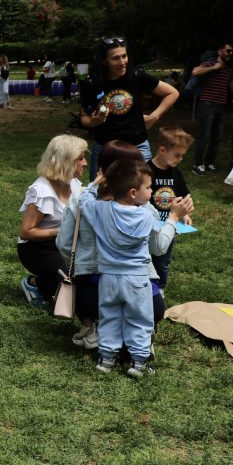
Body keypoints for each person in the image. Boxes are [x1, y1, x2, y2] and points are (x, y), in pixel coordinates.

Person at [58, 140, 191, 350]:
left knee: (89, 292)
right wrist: (173, 217)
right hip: (140, 288)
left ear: (102, 168)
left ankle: (92, 325)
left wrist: (82, 264)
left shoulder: (81, 200)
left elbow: (64, 244)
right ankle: (134, 334)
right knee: (150, 309)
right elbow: (158, 248)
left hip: (91, 291)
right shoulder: (144, 208)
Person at [80, 160, 156, 377]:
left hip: (109, 278)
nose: (151, 191)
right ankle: (139, 362)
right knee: (139, 319)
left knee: (109, 317)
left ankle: (106, 359)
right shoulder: (147, 215)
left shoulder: (102, 209)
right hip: (137, 279)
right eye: (148, 187)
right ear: (133, 192)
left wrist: (96, 183)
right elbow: (158, 243)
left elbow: (84, 201)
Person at [79, 36, 179, 180]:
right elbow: (84, 117)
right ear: (104, 61)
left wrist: (154, 116)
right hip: (105, 148)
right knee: (99, 191)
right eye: (115, 58)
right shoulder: (92, 83)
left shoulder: (136, 76)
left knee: (143, 188)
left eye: (124, 56)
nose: (122, 62)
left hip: (137, 146)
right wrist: (94, 121)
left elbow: (172, 93)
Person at [17, 134, 87, 305]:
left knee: (85, 277)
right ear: (66, 161)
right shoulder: (42, 191)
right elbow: (26, 232)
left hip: (64, 243)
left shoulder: (74, 183)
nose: (85, 163)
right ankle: (36, 284)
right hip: (37, 248)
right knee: (69, 292)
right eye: (80, 158)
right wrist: (61, 231)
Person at [190, 42, 233, 175]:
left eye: (232, 51)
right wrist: (214, 68)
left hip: (221, 106)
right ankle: (197, 164)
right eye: (228, 50)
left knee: (217, 137)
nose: (231, 53)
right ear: (220, 52)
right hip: (207, 104)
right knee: (205, 135)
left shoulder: (229, 71)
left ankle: (209, 163)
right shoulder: (209, 64)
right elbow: (195, 71)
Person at [147, 126, 194, 288]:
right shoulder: (146, 171)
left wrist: (185, 214)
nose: (180, 159)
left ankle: (159, 289)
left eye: (183, 155)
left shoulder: (176, 173)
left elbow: (182, 195)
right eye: (177, 155)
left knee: (163, 261)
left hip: (169, 225)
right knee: (147, 259)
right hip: (149, 226)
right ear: (162, 150)